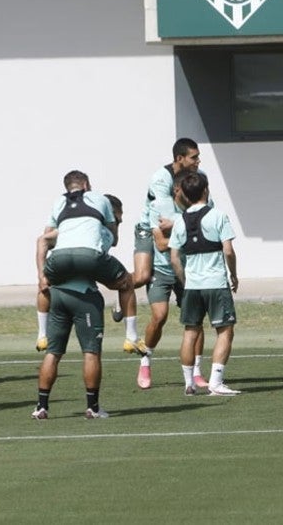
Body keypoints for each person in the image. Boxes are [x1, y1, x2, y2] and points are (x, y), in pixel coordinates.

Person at [33, 170, 134, 420]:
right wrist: (114, 224)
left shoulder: (60, 209)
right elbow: (112, 241)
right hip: (84, 296)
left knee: (53, 353)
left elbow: (44, 238)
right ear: (87, 185)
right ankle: (93, 406)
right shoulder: (101, 214)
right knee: (125, 284)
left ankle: (41, 407)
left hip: (58, 292)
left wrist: (41, 275)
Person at [119, 138, 204, 352]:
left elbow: (205, 209)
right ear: (179, 158)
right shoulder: (161, 179)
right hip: (149, 227)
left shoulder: (199, 177)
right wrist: (192, 222)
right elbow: (163, 222)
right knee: (142, 276)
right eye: (194, 157)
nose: (198, 161)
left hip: (173, 228)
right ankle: (122, 293)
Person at [169, 171, 240, 396]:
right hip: (216, 283)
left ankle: (189, 384)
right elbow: (228, 250)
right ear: (206, 190)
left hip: (192, 286)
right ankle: (216, 383)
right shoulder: (218, 215)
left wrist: (184, 280)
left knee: (190, 331)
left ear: (186, 196)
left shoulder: (179, 221)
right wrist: (234, 275)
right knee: (225, 330)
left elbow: (174, 258)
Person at [138, 181, 207, 390]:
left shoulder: (199, 206)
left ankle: (196, 371)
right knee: (159, 316)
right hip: (162, 270)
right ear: (177, 190)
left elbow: (206, 234)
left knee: (195, 321)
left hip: (189, 271)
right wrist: (189, 233)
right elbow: (160, 244)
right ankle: (145, 361)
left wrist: (176, 225)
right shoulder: (159, 206)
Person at [36, 193, 124, 353]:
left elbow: (115, 241)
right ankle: (131, 335)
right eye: (119, 215)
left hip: (71, 272)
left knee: (54, 354)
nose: (121, 220)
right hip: (80, 272)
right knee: (126, 282)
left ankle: (42, 334)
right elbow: (44, 238)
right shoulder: (97, 229)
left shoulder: (84, 220)